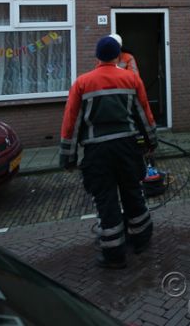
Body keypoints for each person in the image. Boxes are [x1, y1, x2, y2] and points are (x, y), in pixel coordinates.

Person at [60, 35, 158, 268]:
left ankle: (114, 255)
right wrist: (151, 142)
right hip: (127, 147)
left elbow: (71, 122)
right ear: (117, 56)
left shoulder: (82, 83)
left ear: (97, 56)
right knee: (133, 192)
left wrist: (68, 156)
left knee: (106, 200)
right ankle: (141, 239)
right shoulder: (131, 79)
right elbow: (144, 114)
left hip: (97, 152)